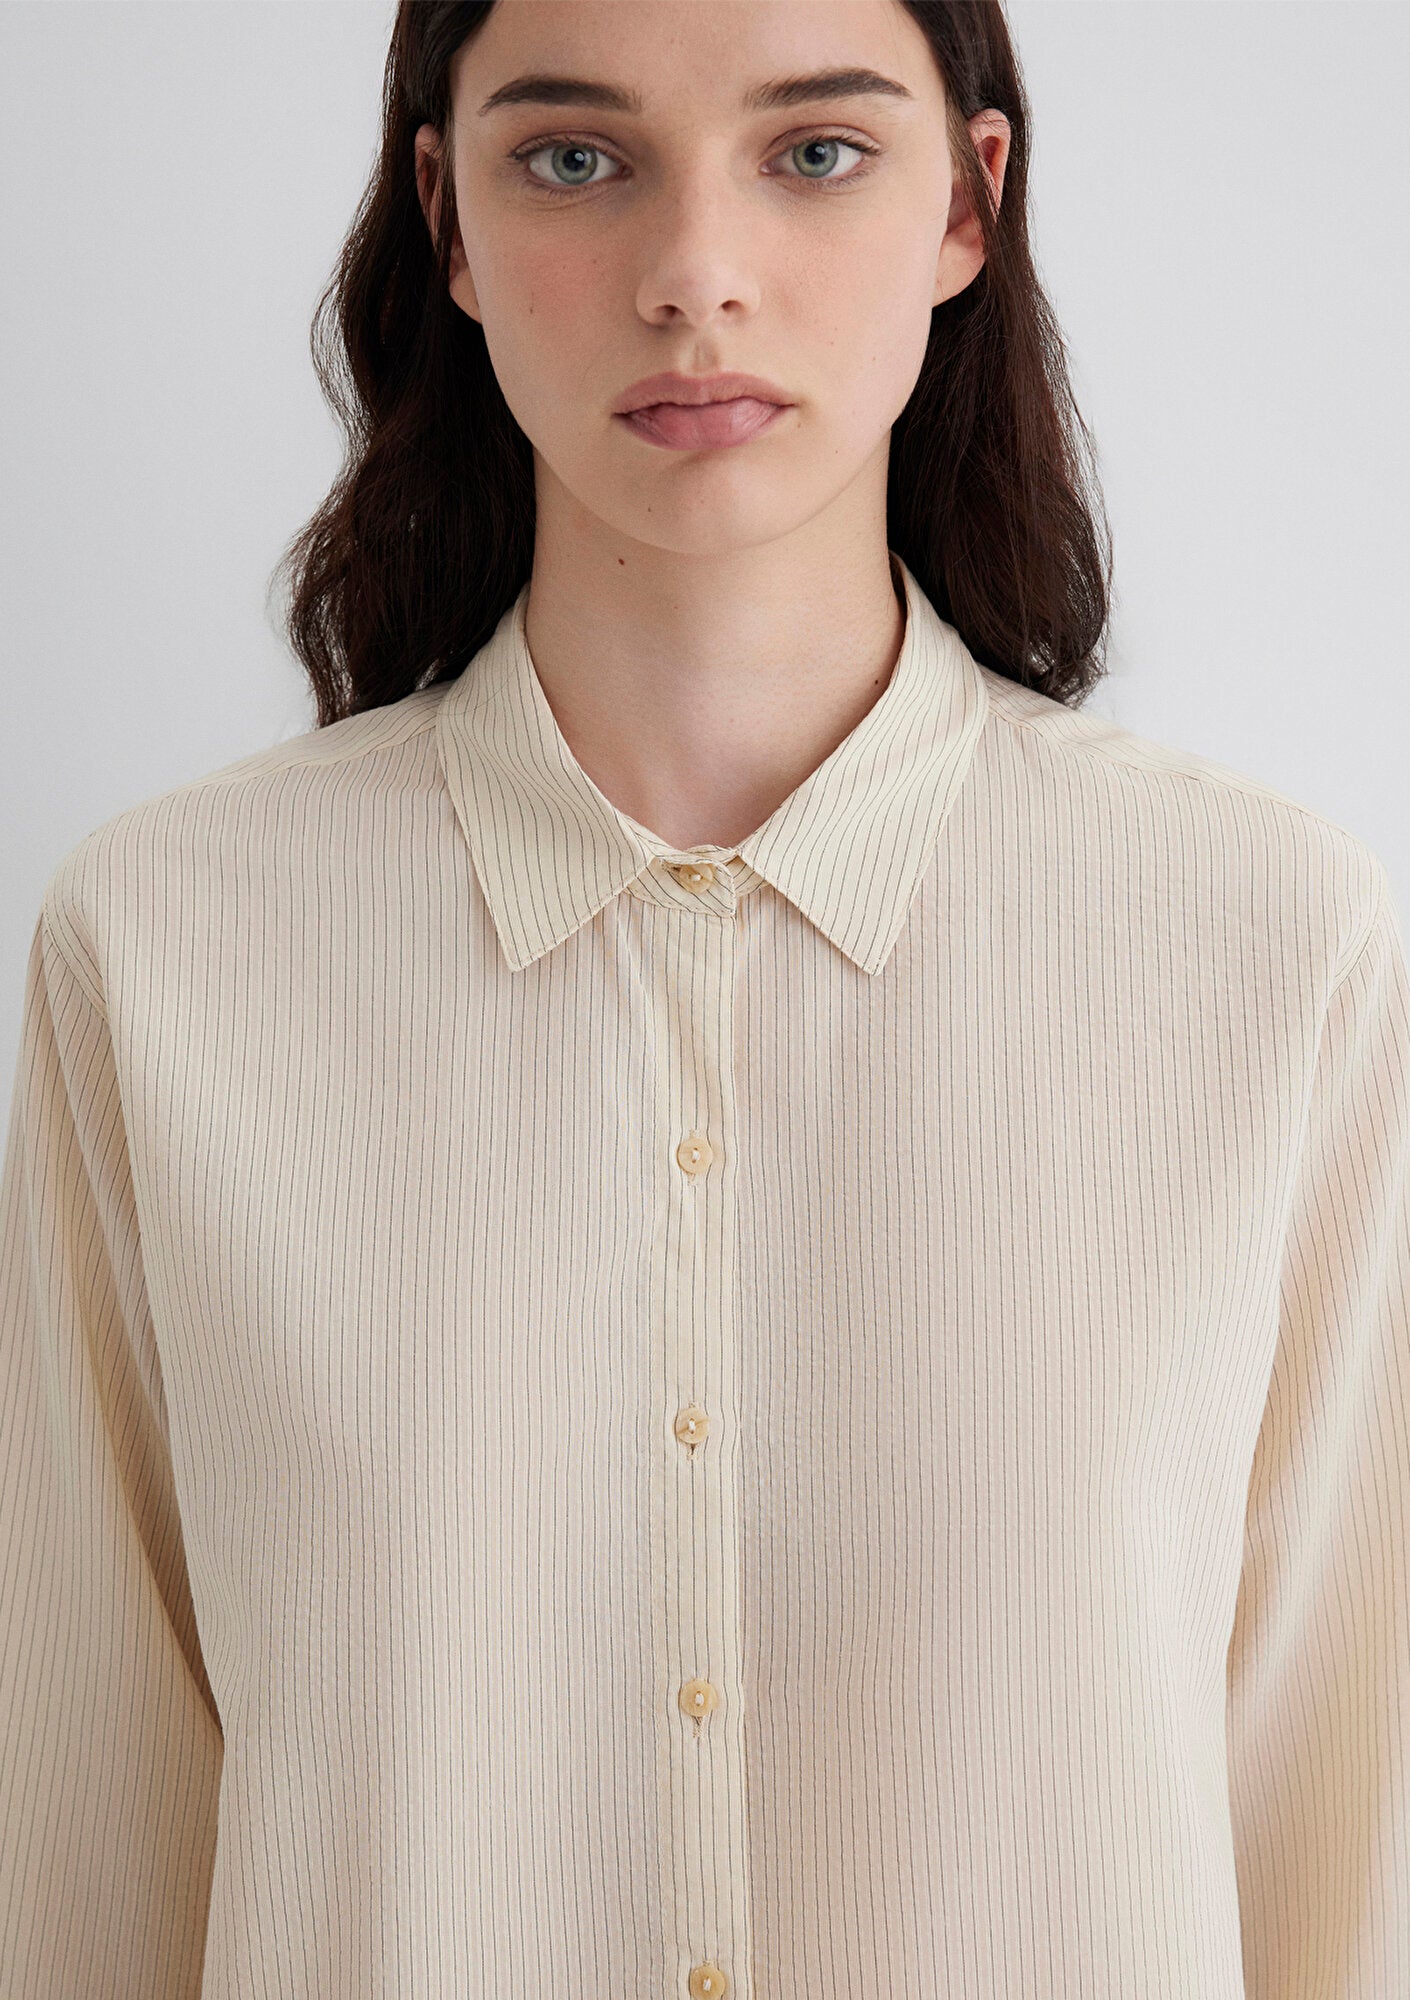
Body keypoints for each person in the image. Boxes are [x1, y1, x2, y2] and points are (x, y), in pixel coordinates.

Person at [1, 2, 1406, 1995]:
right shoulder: (166, 950)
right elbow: (81, 1853)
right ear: (449, 222)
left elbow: (1342, 1863)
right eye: (576, 159)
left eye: (814, 153)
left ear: (968, 203)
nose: (693, 275)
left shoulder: (1269, 952)